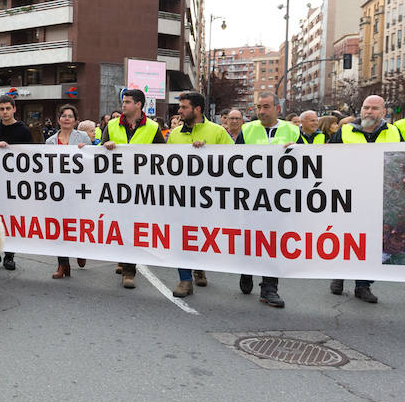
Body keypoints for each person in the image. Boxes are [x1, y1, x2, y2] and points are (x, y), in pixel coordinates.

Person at [328, 94, 402, 303]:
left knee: (371, 242)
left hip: (380, 197)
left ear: (384, 112)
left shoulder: (395, 132)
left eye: (374, 108)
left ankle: (363, 285)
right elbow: (327, 159)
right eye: (366, 107)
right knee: (345, 239)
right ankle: (339, 275)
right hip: (348, 196)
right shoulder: (345, 131)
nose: (369, 112)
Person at [164, 92, 232, 298]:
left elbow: (233, 160)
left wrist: (207, 152)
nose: (179, 111)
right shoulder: (175, 134)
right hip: (181, 196)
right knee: (180, 236)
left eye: (184, 107)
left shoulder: (218, 132)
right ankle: (185, 279)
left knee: (203, 236)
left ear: (197, 109)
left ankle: (199, 266)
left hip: (208, 197)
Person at [235, 92, 299, 307]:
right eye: (258, 107)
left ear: (277, 109)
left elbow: (309, 162)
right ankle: (247, 271)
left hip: (280, 198)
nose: (261, 111)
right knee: (250, 239)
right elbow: (233, 162)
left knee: (273, 243)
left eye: (266, 107)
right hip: (251, 198)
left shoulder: (293, 130)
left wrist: (297, 151)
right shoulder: (247, 130)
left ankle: (269, 288)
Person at [101, 89, 165, 289]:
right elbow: (99, 149)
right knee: (119, 225)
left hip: (140, 188)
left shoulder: (153, 127)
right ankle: (122, 257)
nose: (124, 105)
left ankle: (129, 271)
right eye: (123, 101)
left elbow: (162, 156)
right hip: (115, 186)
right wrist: (105, 145)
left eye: (128, 102)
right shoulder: (111, 125)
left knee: (132, 226)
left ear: (138, 104)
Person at [0, 93, 33, 271]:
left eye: (8, 108)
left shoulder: (23, 130)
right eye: (1, 109)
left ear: (14, 109)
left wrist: (10, 149)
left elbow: (29, 155)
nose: (5, 112)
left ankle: (10, 255)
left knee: (12, 219)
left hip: (15, 183)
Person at [46, 103, 92, 278]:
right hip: (58, 189)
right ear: (58, 120)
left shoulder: (83, 138)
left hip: (78, 189)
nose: (66, 119)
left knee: (77, 223)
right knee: (59, 226)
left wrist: (85, 150)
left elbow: (91, 161)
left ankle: (81, 250)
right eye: (63, 116)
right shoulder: (50, 141)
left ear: (75, 120)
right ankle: (63, 265)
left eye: (70, 116)